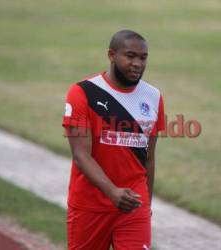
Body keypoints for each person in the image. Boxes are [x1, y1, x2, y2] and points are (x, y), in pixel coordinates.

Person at [62, 29, 165, 250]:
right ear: (111, 55)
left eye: (143, 58)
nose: (137, 63)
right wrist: (112, 192)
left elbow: (149, 159)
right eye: (130, 56)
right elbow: (81, 155)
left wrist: (146, 204)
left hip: (133, 205)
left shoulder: (153, 97)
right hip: (90, 206)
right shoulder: (82, 92)